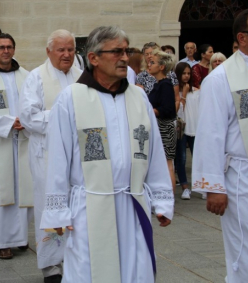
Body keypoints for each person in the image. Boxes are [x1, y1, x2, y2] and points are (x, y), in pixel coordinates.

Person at [40, 26, 173, 283]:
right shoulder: (71, 98)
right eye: (117, 51)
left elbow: (154, 152)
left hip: (132, 203)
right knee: (88, 271)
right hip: (90, 207)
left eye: (127, 50)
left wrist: (162, 200)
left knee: (136, 270)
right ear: (94, 58)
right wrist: (57, 210)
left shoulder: (138, 97)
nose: (125, 57)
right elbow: (57, 157)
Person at [19, 29, 82, 283]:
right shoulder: (36, 77)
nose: (66, 54)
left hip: (77, 155)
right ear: (49, 51)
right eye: (61, 50)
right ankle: (51, 267)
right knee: (50, 204)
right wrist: (62, 119)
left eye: (70, 49)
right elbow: (28, 116)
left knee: (77, 206)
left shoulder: (82, 76)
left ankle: (76, 259)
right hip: (46, 153)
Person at [192, 9, 248, 282]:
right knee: (243, 251)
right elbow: (210, 133)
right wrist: (213, 187)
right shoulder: (220, 79)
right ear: (243, 37)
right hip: (241, 176)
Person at [0, 33, 33, 260]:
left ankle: (21, 238)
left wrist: (28, 120)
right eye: (1, 47)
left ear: (14, 50)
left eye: (9, 47)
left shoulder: (27, 76)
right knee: (0, 192)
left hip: (23, 141)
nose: (5, 51)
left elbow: (35, 104)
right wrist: (7, 123)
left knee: (23, 188)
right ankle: (2, 242)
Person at [147, 49, 177, 192]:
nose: (149, 65)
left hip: (165, 127)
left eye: (152, 62)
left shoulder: (165, 84)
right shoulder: (158, 84)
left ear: (161, 67)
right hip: (160, 127)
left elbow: (169, 108)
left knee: (167, 163)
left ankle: (169, 197)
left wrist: (153, 111)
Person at [174, 62, 199, 200]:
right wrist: (183, 94)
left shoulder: (196, 92)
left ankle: (201, 186)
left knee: (198, 158)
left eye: (188, 73)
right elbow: (179, 111)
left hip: (195, 129)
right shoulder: (176, 92)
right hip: (182, 130)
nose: (186, 76)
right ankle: (185, 187)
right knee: (181, 158)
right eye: (183, 73)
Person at [136, 42, 180, 111]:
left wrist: (172, 115)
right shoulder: (141, 76)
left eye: (151, 53)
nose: (149, 56)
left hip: (166, 116)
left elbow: (176, 99)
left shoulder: (170, 74)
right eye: (146, 54)